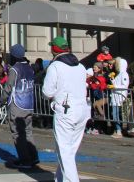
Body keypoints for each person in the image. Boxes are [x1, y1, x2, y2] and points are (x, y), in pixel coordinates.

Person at [42, 37, 89, 182]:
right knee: (70, 150)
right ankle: (60, 178)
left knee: (64, 151)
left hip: (66, 110)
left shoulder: (55, 66)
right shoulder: (80, 66)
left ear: (54, 49)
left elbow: (47, 92)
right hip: (82, 110)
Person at [1, 43, 39, 168]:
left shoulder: (14, 69)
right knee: (28, 131)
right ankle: (33, 156)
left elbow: (8, 87)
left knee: (18, 132)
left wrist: (2, 99)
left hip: (17, 103)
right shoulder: (29, 68)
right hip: (28, 103)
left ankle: (25, 159)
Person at [108, 57, 129, 138]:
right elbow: (116, 84)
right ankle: (117, 130)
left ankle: (119, 131)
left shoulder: (124, 74)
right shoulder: (119, 74)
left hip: (119, 98)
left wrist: (114, 86)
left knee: (116, 114)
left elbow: (124, 85)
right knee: (115, 114)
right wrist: (112, 79)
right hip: (115, 97)